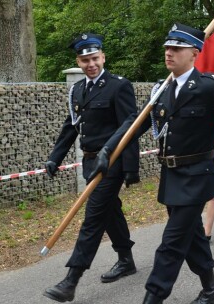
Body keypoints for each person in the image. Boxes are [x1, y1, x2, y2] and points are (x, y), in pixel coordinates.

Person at [88, 23, 214, 304]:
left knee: (171, 242)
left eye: (176, 48)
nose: (169, 53)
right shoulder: (161, 90)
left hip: (198, 176)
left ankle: (153, 296)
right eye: (167, 48)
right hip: (171, 176)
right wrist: (107, 150)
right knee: (192, 235)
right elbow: (134, 125)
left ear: (194, 52)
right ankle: (210, 290)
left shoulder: (211, 87)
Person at [43, 33, 140, 302]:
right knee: (109, 210)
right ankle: (126, 259)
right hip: (89, 161)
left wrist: (111, 151)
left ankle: (71, 280)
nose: (91, 64)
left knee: (94, 216)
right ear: (78, 60)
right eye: (85, 60)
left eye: (95, 58)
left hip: (111, 162)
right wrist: (55, 156)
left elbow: (130, 123)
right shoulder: (78, 90)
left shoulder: (119, 86)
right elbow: (71, 126)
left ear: (103, 57)